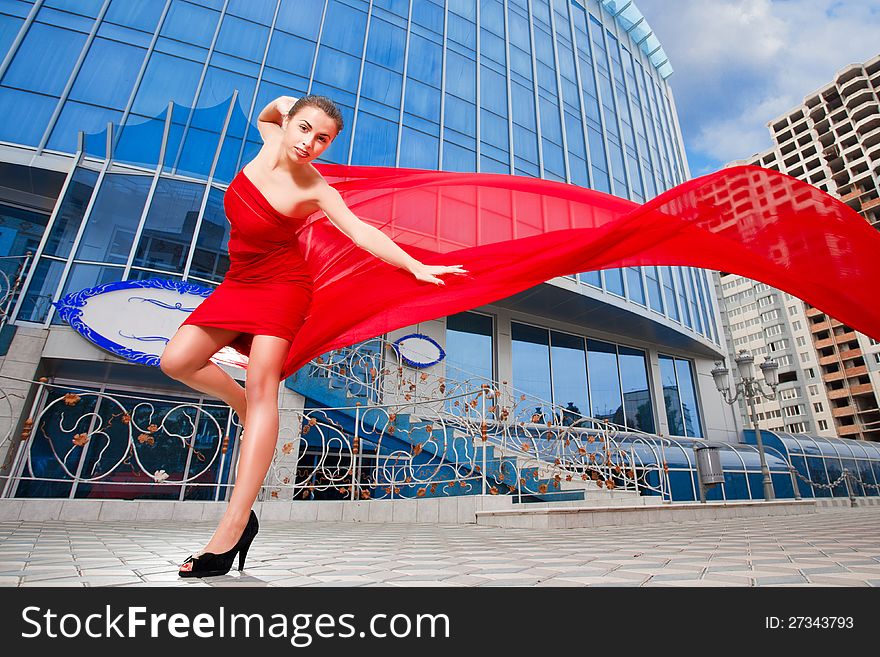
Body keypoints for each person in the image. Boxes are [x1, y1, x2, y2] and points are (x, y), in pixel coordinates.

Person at [159, 94, 468, 577]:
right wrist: (283, 106)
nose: (308, 143)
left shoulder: (316, 188)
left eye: (321, 138)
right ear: (289, 123)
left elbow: (362, 233)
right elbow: (266, 113)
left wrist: (415, 264)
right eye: (303, 128)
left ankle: (233, 526)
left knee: (265, 386)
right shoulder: (268, 140)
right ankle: (245, 410)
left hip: (283, 287)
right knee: (177, 361)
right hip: (240, 281)